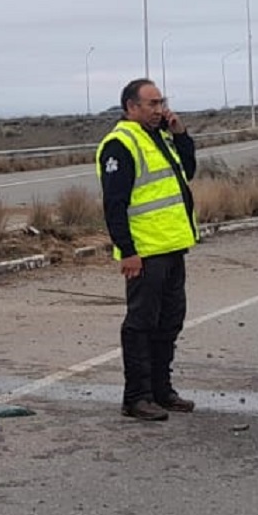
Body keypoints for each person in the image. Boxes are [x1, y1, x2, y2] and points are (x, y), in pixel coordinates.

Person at [98, 78, 199, 421]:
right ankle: (137, 397)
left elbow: (188, 172)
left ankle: (161, 391)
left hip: (171, 247)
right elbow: (114, 203)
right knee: (141, 324)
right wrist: (127, 250)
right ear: (131, 107)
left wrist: (181, 135)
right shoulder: (120, 144)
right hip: (144, 252)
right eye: (152, 104)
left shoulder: (159, 138)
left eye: (161, 102)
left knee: (169, 322)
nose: (159, 110)